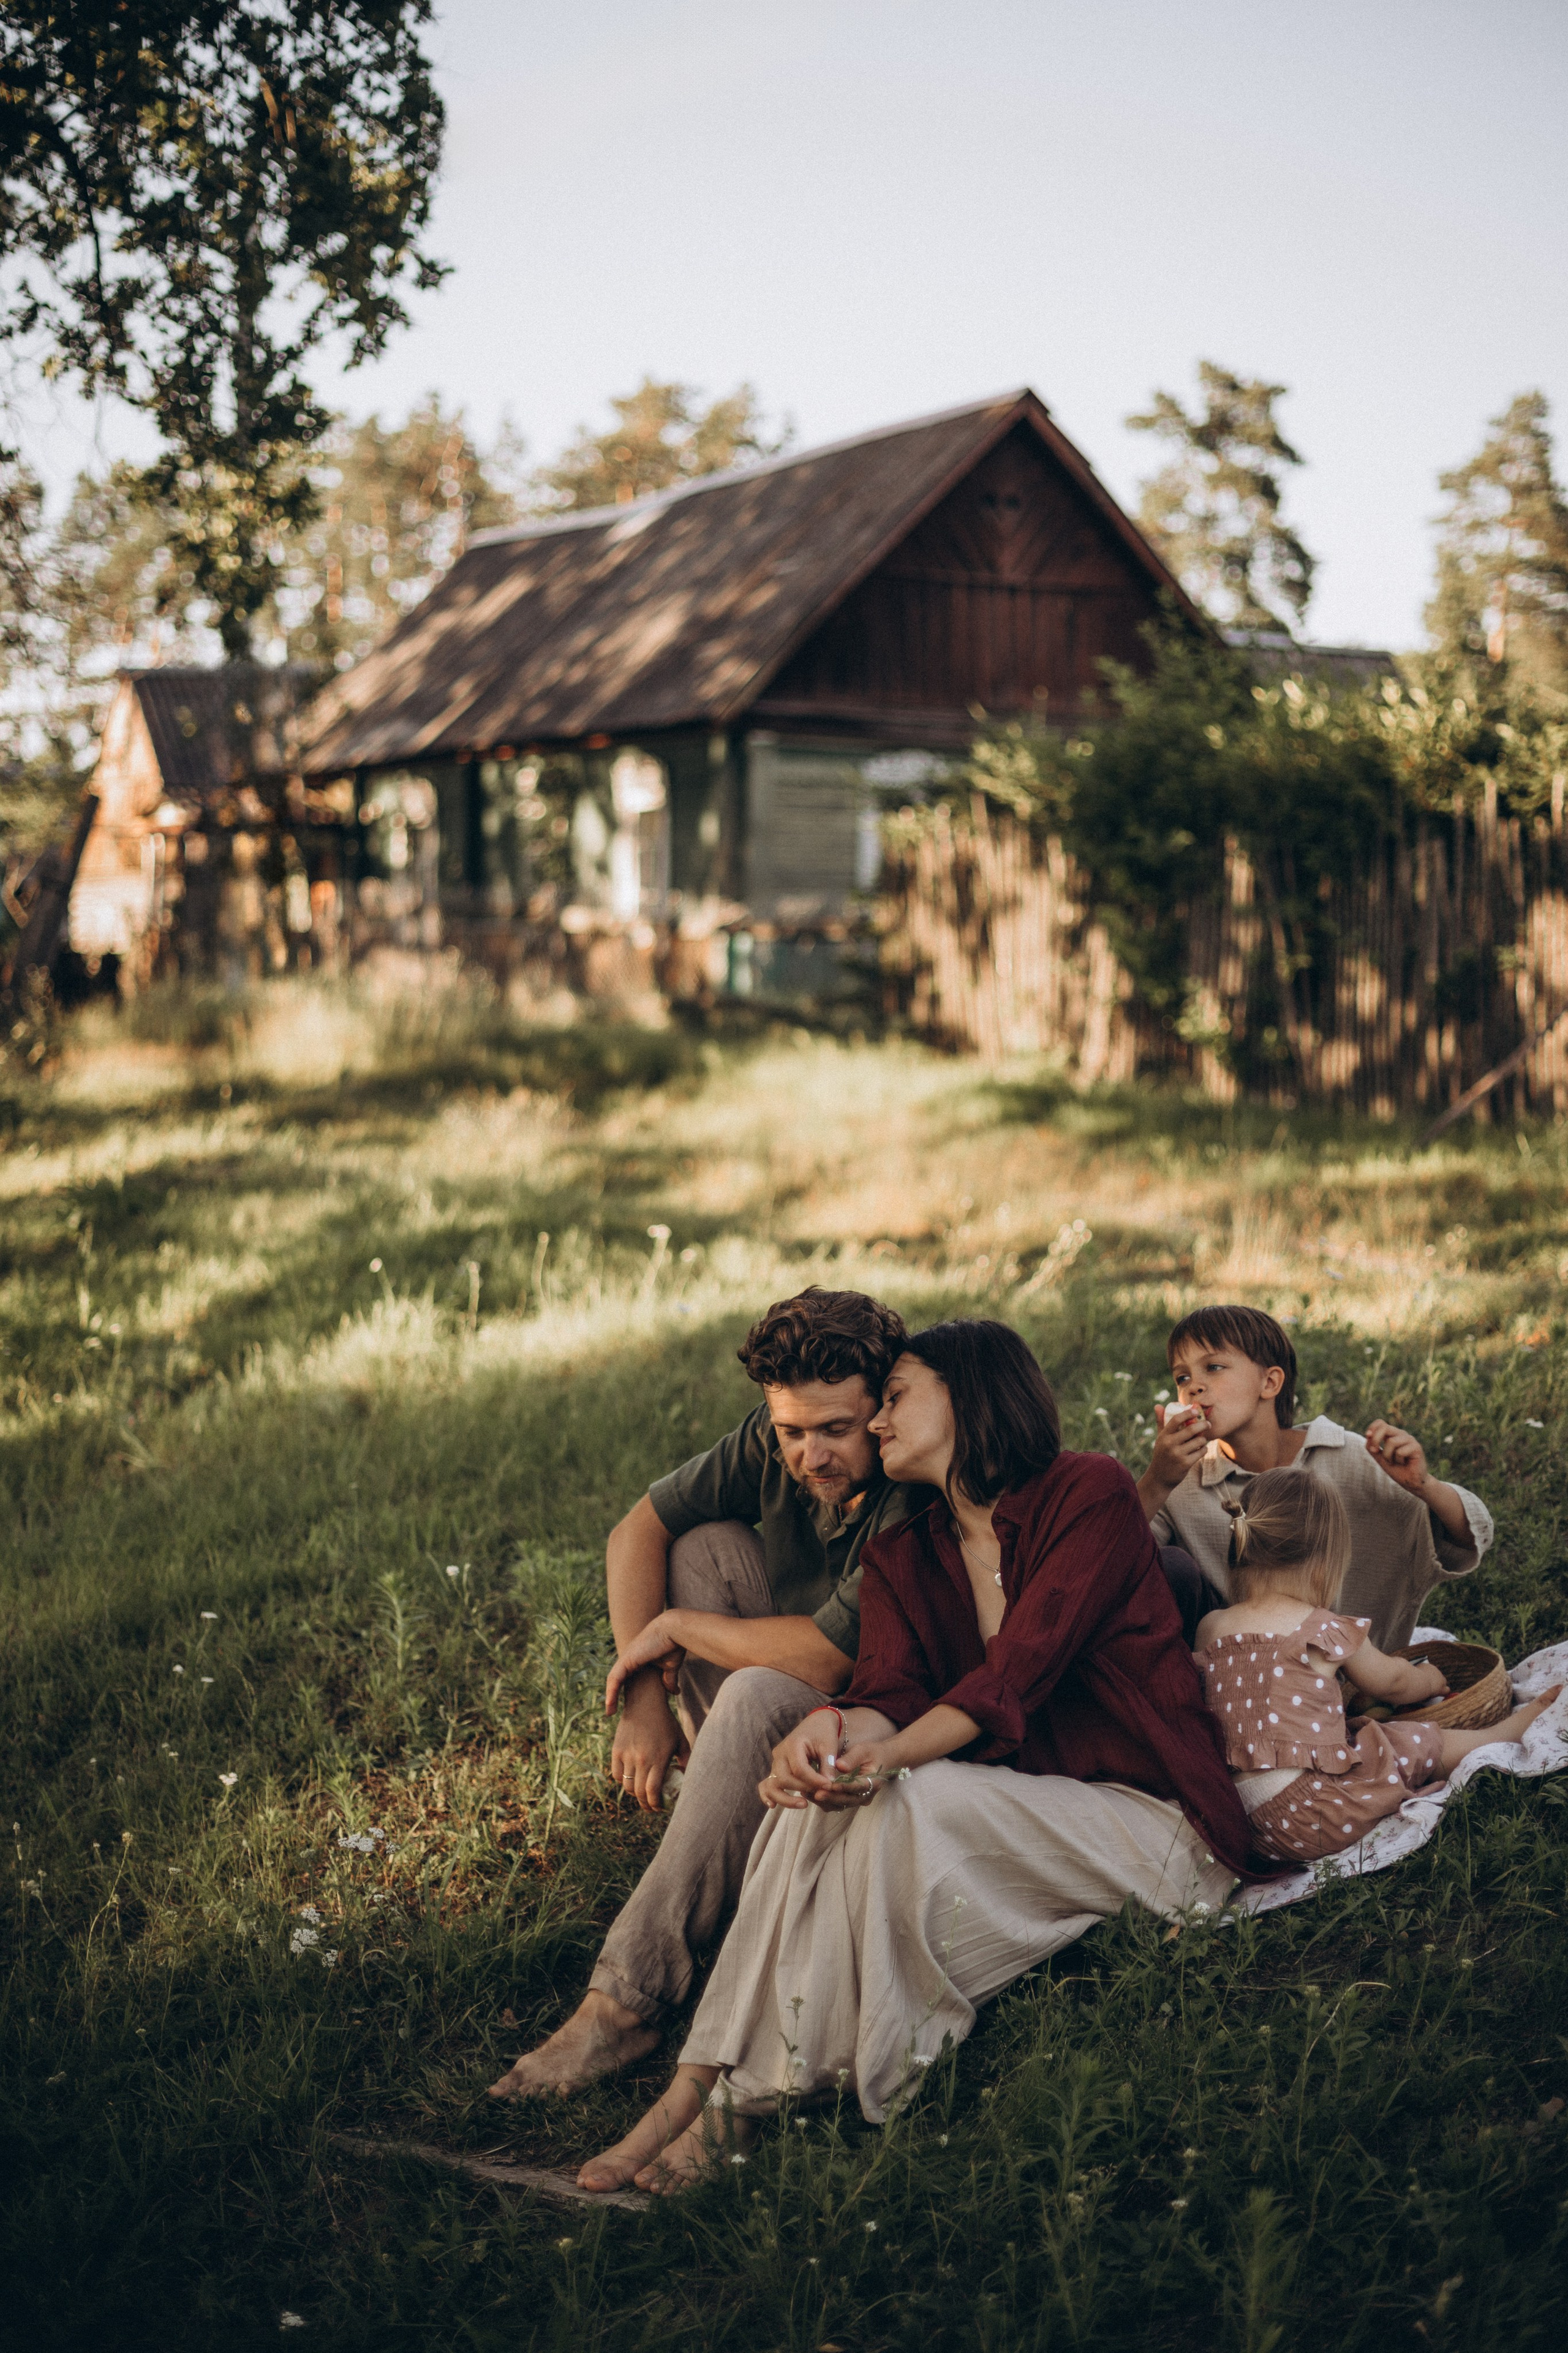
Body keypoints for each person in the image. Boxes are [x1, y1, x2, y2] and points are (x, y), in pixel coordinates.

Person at [575, 1318, 1254, 2194]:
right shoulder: (908, 1549)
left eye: (894, 1399)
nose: (879, 1423)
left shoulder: (1085, 1493)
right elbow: (887, 1693)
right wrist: (827, 1735)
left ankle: (747, 2099)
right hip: (1030, 1809)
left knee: (905, 1795)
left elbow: (1013, 1679)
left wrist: (884, 1753)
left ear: (965, 1397)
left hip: (1156, 1822)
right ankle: (691, 2089)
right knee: (816, 1800)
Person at [488, 1286, 918, 2101]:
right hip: (797, 1677)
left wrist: (679, 1630)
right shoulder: (776, 1436)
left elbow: (829, 1661)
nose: (811, 1455)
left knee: (756, 1689)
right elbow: (635, 1530)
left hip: (887, 1713)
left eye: (836, 1429)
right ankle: (736, 1833)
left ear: (882, 1406)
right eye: (792, 1431)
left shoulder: (909, 1479)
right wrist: (646, 1702)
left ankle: (627, 2002)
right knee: (702, 1546)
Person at [1193, 1470, 1559, 1864]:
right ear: (1323, 1566)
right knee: (1404, 1741)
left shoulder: (1210, 1627)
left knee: (1356, 1733)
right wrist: (1429, 1679)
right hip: (1315, 1817)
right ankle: (1504, 1733)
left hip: (1247, 1825)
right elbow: (1395, 1683)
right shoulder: (1323, 1627)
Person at [1136, 1304, 1493, 1650]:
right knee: (1171, 1568)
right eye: (1182, 1377)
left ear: (1270, 1382)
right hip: (1237, 1677)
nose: (1193, 1386)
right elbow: (1103, 1556)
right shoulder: (1182, 1479)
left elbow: (1468, 1538)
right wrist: (1158, 1479)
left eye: (1213, 1367)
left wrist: (1423, 1487)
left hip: (1360, 1677)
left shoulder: (1350, 1457)